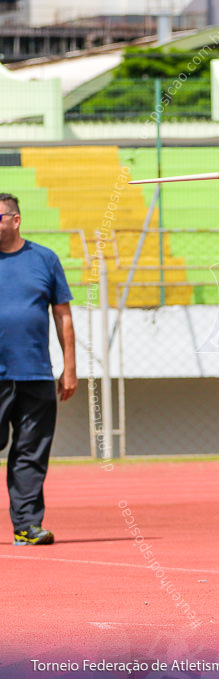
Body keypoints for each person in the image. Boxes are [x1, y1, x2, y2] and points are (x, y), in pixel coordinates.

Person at [0, 193, 76, 546]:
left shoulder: (45, 259)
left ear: (15, 220)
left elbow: (63, 316)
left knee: (31, 453)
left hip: (35, 375)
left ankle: (27, 527)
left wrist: (70, 369)